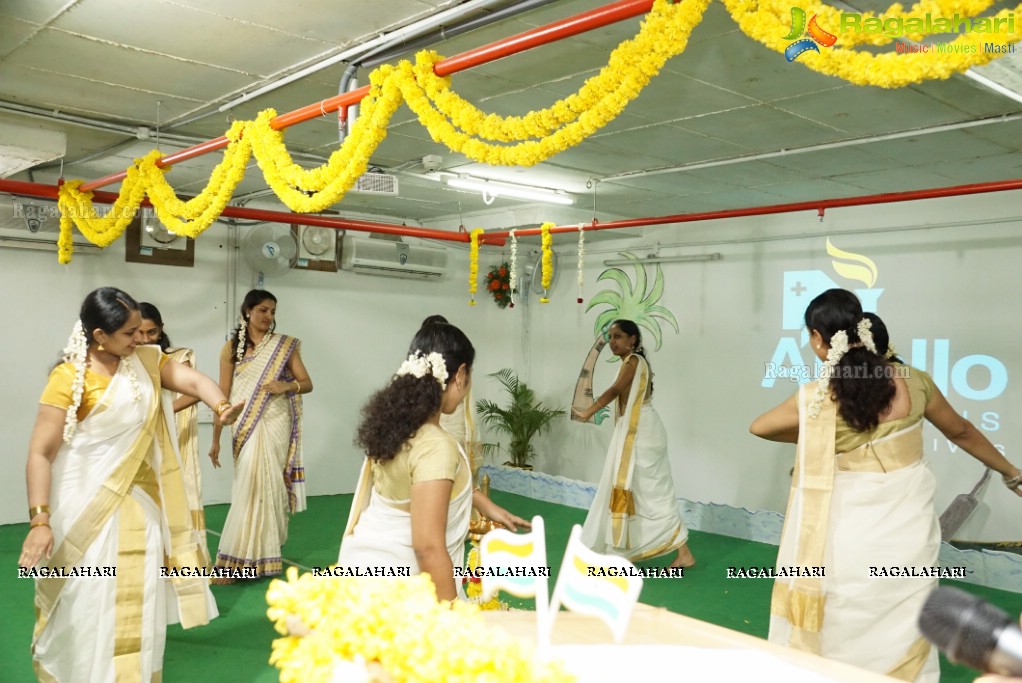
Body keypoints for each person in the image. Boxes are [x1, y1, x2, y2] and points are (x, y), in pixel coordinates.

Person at [750, 289, 1022, 682]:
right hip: (904, 524)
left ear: (817, 337)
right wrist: (1012, 474)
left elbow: (758, 427)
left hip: (843, 529)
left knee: (844, 602)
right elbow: (962, 432)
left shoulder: (815, 398)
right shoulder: (915, 381)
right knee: (903, 597)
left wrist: (816, 437)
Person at [18, 286, 243, 683]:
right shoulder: (69, 379)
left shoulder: (145, 362)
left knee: (139, 598)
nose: (140, 339)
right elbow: (40, 453)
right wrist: (39, 521)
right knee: (86, 601)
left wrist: (220, 405)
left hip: (138, 502)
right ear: (99, 336)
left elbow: (192, 380)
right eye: (129, 333)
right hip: (81, 505)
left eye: (142, 330)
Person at [338, 322, 528, 601]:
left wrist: (488, 507)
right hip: (403, 595)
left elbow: (413, 491)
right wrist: (452, 617)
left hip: (362, 579)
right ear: (461, 374)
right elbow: (427, 547)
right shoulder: (435, 445)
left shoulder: (394, 429)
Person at [572, 319, 695, 569]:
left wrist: (589, 411)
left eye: (618, 336)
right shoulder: (630, 363)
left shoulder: (634, 362)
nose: (612, 342)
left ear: (633, 340)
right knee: (639, 493)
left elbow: (615, 390)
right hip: (636, 432)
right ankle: (625, 550)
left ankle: (682, 553)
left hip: (643, 434)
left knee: (653, 494)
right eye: (610, 337)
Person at [209, 289, 312, 581]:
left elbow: (307, 382)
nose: (269, 317)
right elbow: (223, 394)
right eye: (263, 310)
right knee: (248, 486)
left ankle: (261, 557)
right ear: (247, 311)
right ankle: (235, 561)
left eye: (273, 312)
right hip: (244, 423)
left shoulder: (285, 346)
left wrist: (287, 387)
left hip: (276, 420)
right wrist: (215, 437)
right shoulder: (231, 349)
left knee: (269, 486)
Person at [138, 301, 210, 565]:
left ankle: (186, 568)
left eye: (152, 332)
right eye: (140, 333)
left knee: (179, 491)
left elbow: (195, 391)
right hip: (140, 440)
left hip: (173, 433)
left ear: (162, 330)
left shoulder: (177, 358)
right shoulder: (125, 360)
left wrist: (162, 411)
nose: (146, 339)